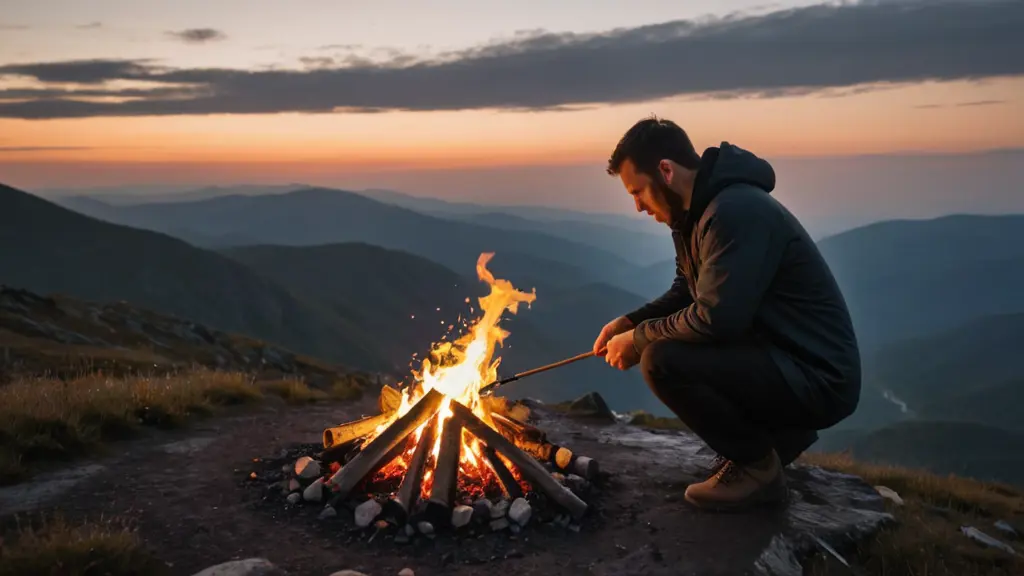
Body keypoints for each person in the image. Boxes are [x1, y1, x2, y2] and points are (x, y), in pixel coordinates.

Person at [593, 116, 861, 511]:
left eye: (639, 191)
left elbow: (717, 318)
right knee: (664, 347)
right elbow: (687, 290)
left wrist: (638, 339)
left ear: (666, 171)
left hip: (818, 377)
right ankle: (773, 444)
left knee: (662, 360)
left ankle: (757, 471)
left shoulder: (735, 212)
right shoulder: (695, 215)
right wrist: (630, 322)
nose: (637, 206)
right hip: (787, 358)